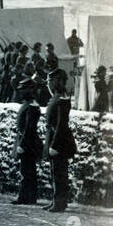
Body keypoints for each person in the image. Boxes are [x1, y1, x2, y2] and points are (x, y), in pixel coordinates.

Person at [44, 67, 76, 213]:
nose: (49, 84)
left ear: (59, 82)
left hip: (60, 142)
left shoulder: (62, 99)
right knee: (55, 172)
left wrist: (55, 145)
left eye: (51, 81)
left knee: (59, 173)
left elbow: (61, 125)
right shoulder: (56, 97)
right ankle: (56, 200)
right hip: (54, 139)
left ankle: (60, 202)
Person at [12, 77, 42, 205]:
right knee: (27, 170)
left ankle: (26, 197)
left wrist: (23, 144)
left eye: (24, 90)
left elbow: (30, 127)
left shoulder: (31, 106)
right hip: (27, 141)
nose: (21, 92)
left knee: (27, 170)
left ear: (30, 90)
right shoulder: (28, 104)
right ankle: (28, 196)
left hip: (28, 143)